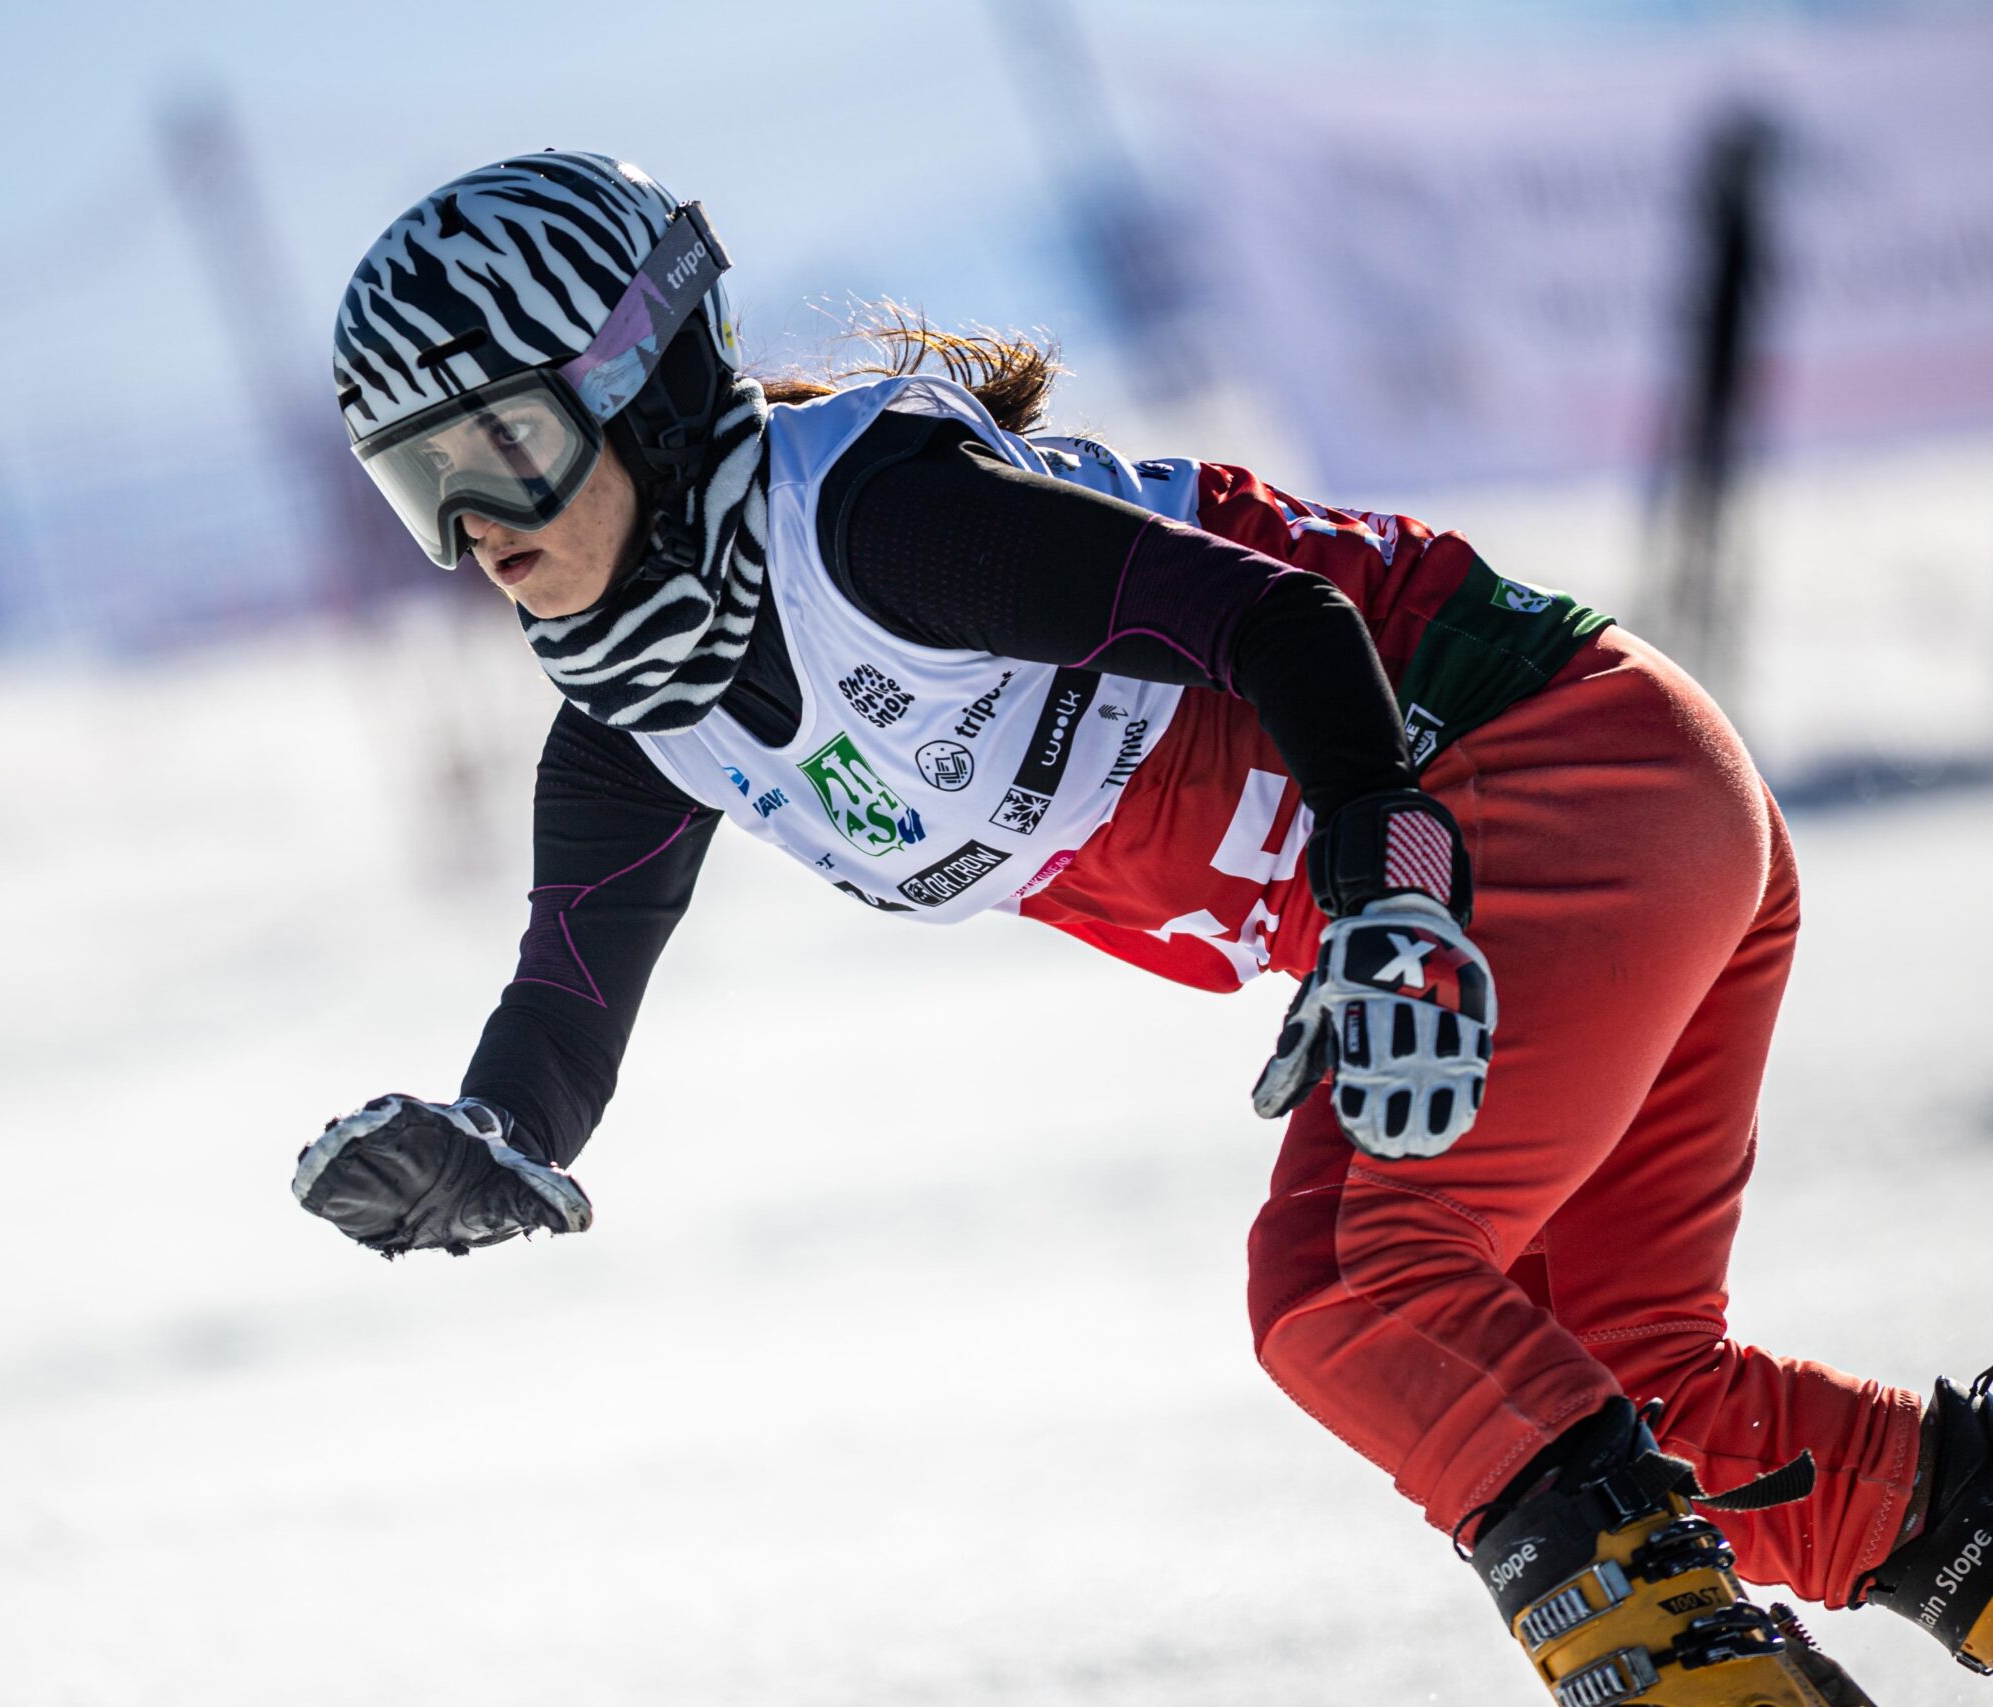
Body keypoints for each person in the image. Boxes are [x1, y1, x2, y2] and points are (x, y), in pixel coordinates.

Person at [295, 151, 1988, 1705]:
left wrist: (1391, 888)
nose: (476, 530)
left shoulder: (872, 524)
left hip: (1544, 771)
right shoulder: (639, 726)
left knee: (1347, 1287)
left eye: (503, 447)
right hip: (1596, 815)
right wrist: (493, 1138)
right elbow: (567, 1000)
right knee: (1620, 1390)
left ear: (645, 386)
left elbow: (1285, 626)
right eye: (418, 483)